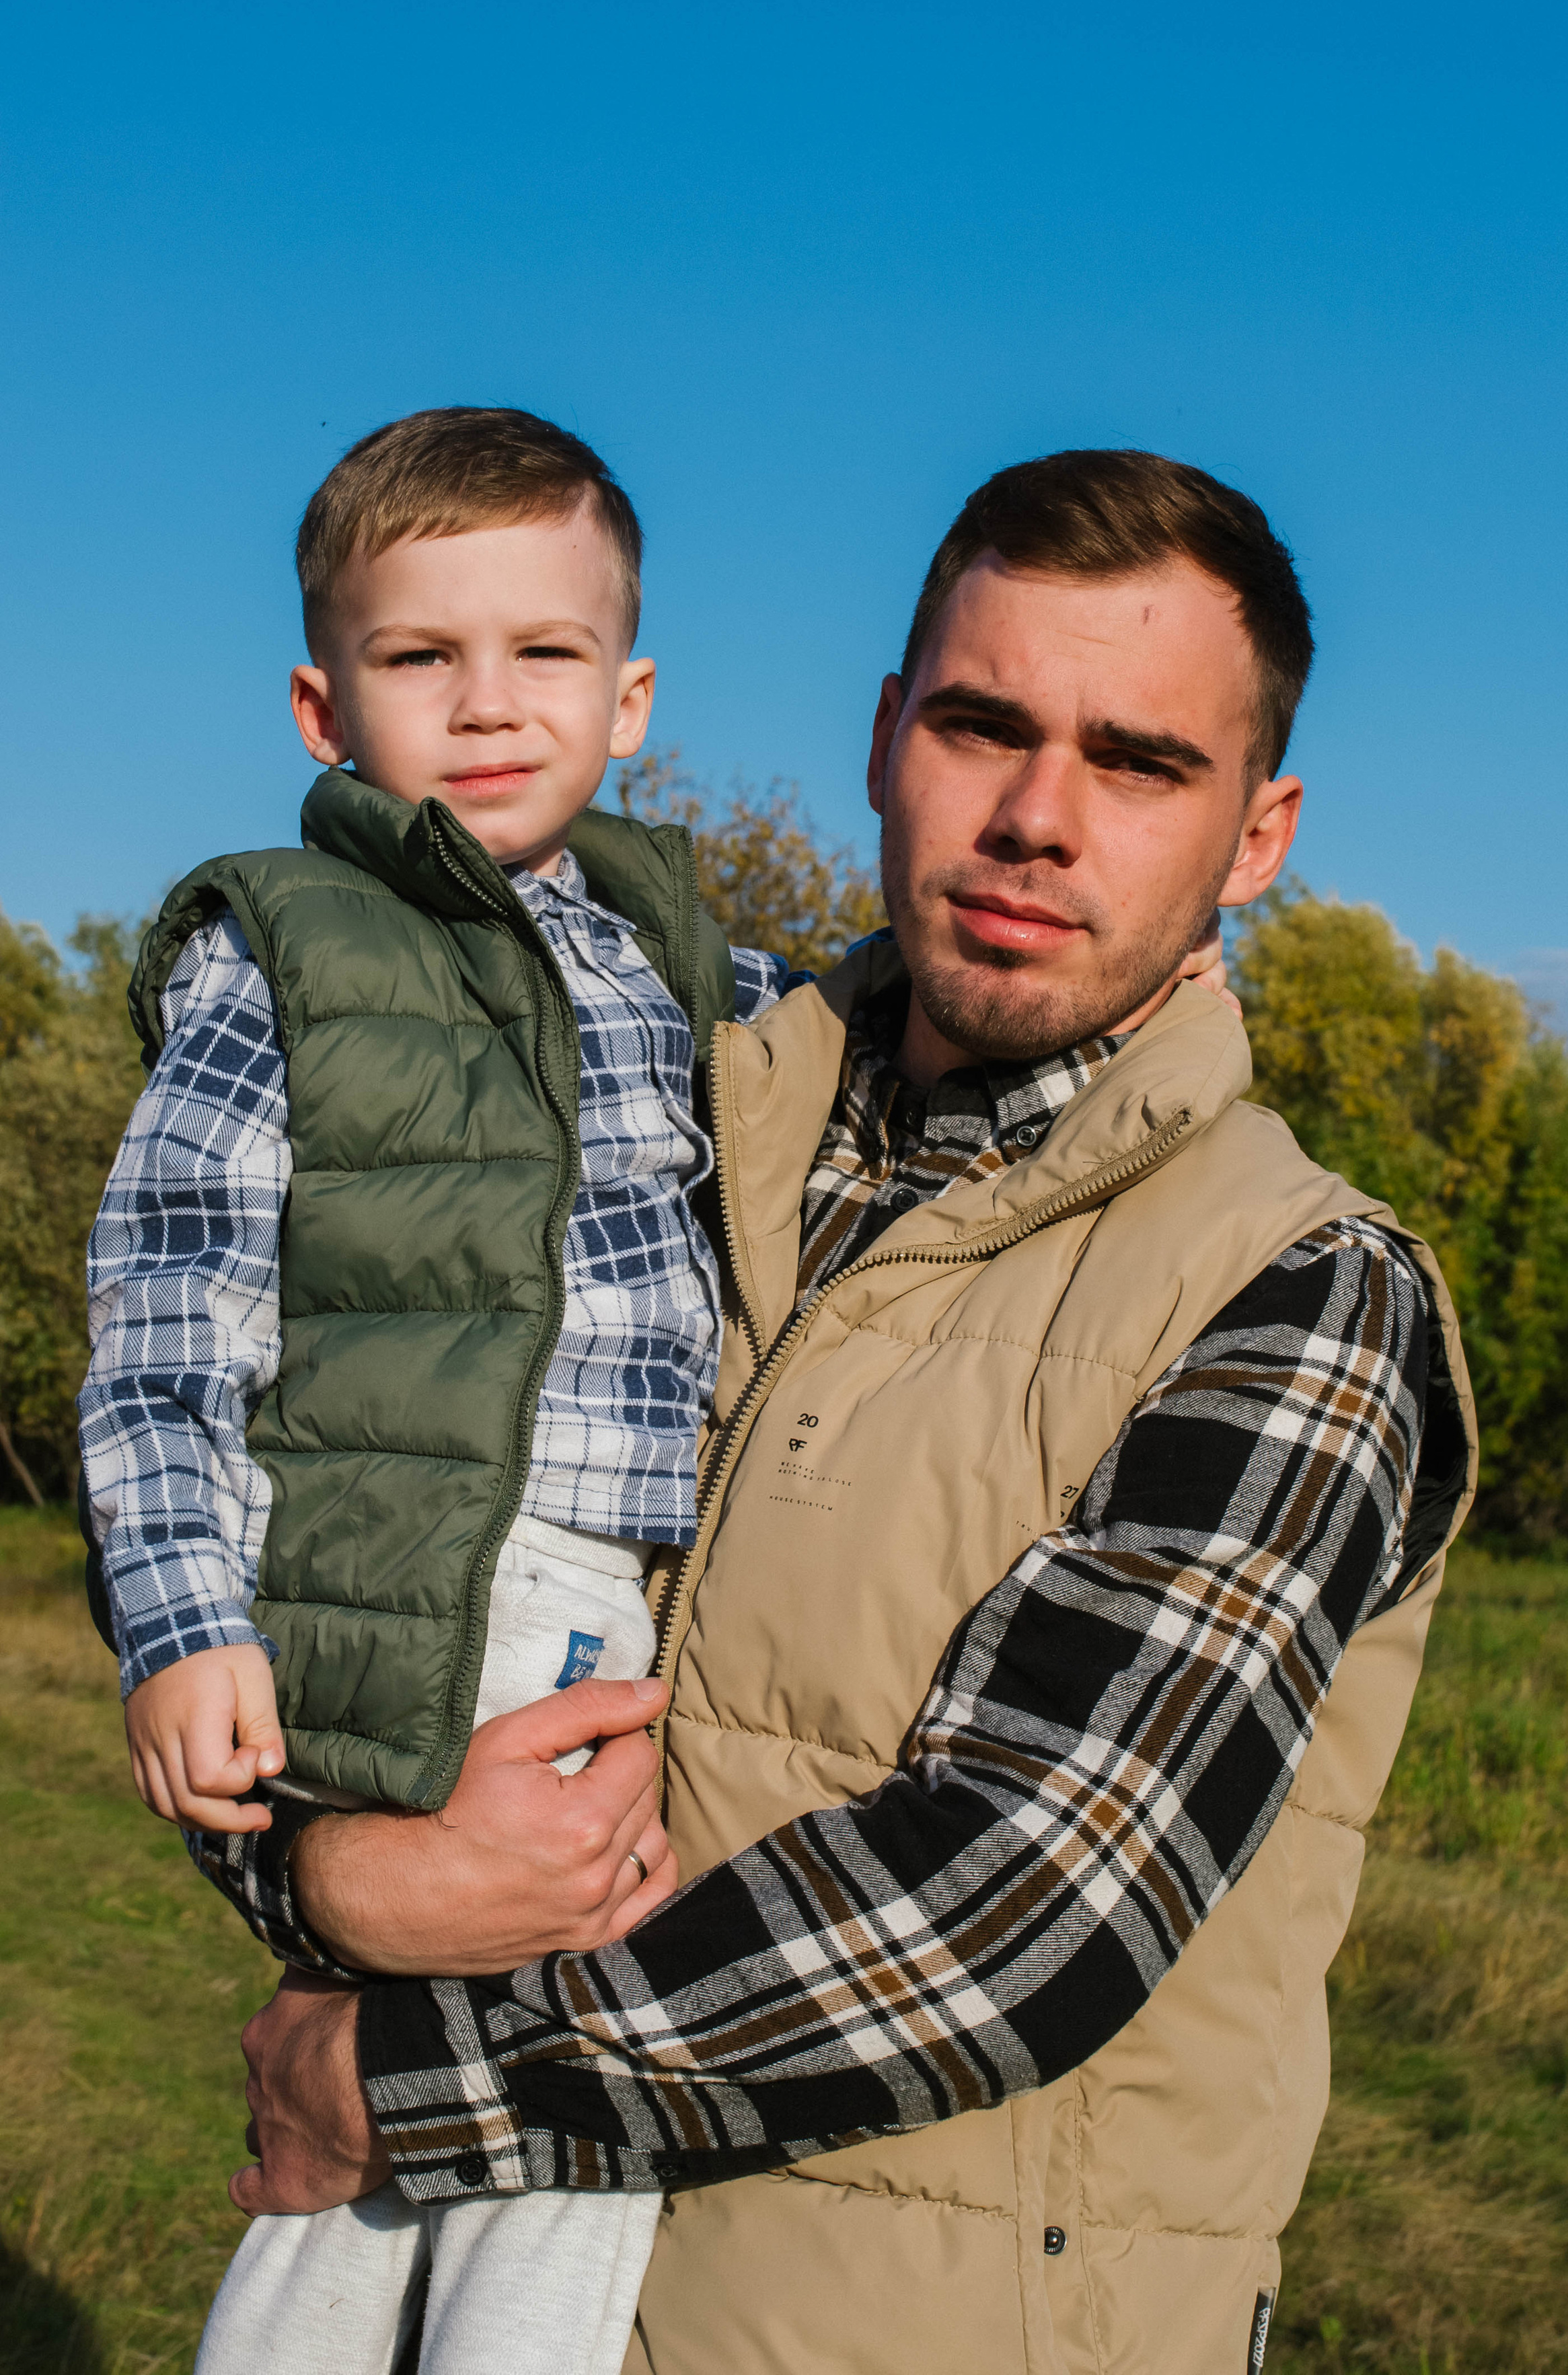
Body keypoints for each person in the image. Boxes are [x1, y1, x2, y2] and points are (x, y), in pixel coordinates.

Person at [172, 450, 1477, 2374]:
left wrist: (400, 2079)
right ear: (885, 737)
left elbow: (1022, 1905)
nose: (1037, 819)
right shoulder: (653, 1121)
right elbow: (327, 1524)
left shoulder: (1303, 1292)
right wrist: (314, 1865)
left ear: (1258, 832)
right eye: (981, 724)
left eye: (1138, 762)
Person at [77, 405, 803, 2375]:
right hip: (453, 1582)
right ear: (326, 706)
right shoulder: (288, 950)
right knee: (559, 2112)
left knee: (438, 2094)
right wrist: (178, 1620)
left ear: (630, 693)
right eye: (421, 657)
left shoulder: (684, 958)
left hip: (619, 1593)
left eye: (543, 654)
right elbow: (168, 1316)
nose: (487, 705)